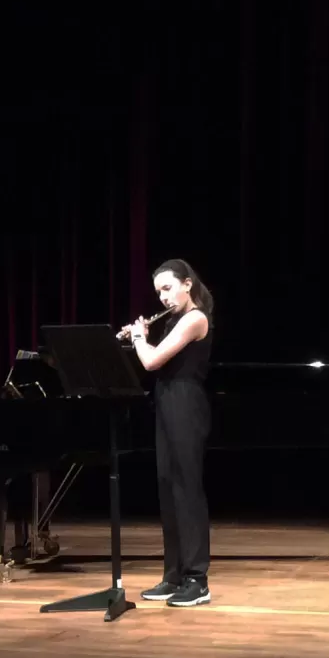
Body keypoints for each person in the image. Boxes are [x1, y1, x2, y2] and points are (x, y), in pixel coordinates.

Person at [120, 259, 214, 607]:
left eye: (168, 288)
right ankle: (174, 576)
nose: (162, 297)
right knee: (168, 488)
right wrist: (140, 339)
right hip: (167, 401)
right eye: (158, 291)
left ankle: (197, 580)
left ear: (187, 284)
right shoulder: (174, 320)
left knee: (187, 490)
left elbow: (152, 361)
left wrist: (139, 338)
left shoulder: (195, 318)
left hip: (186, 404)